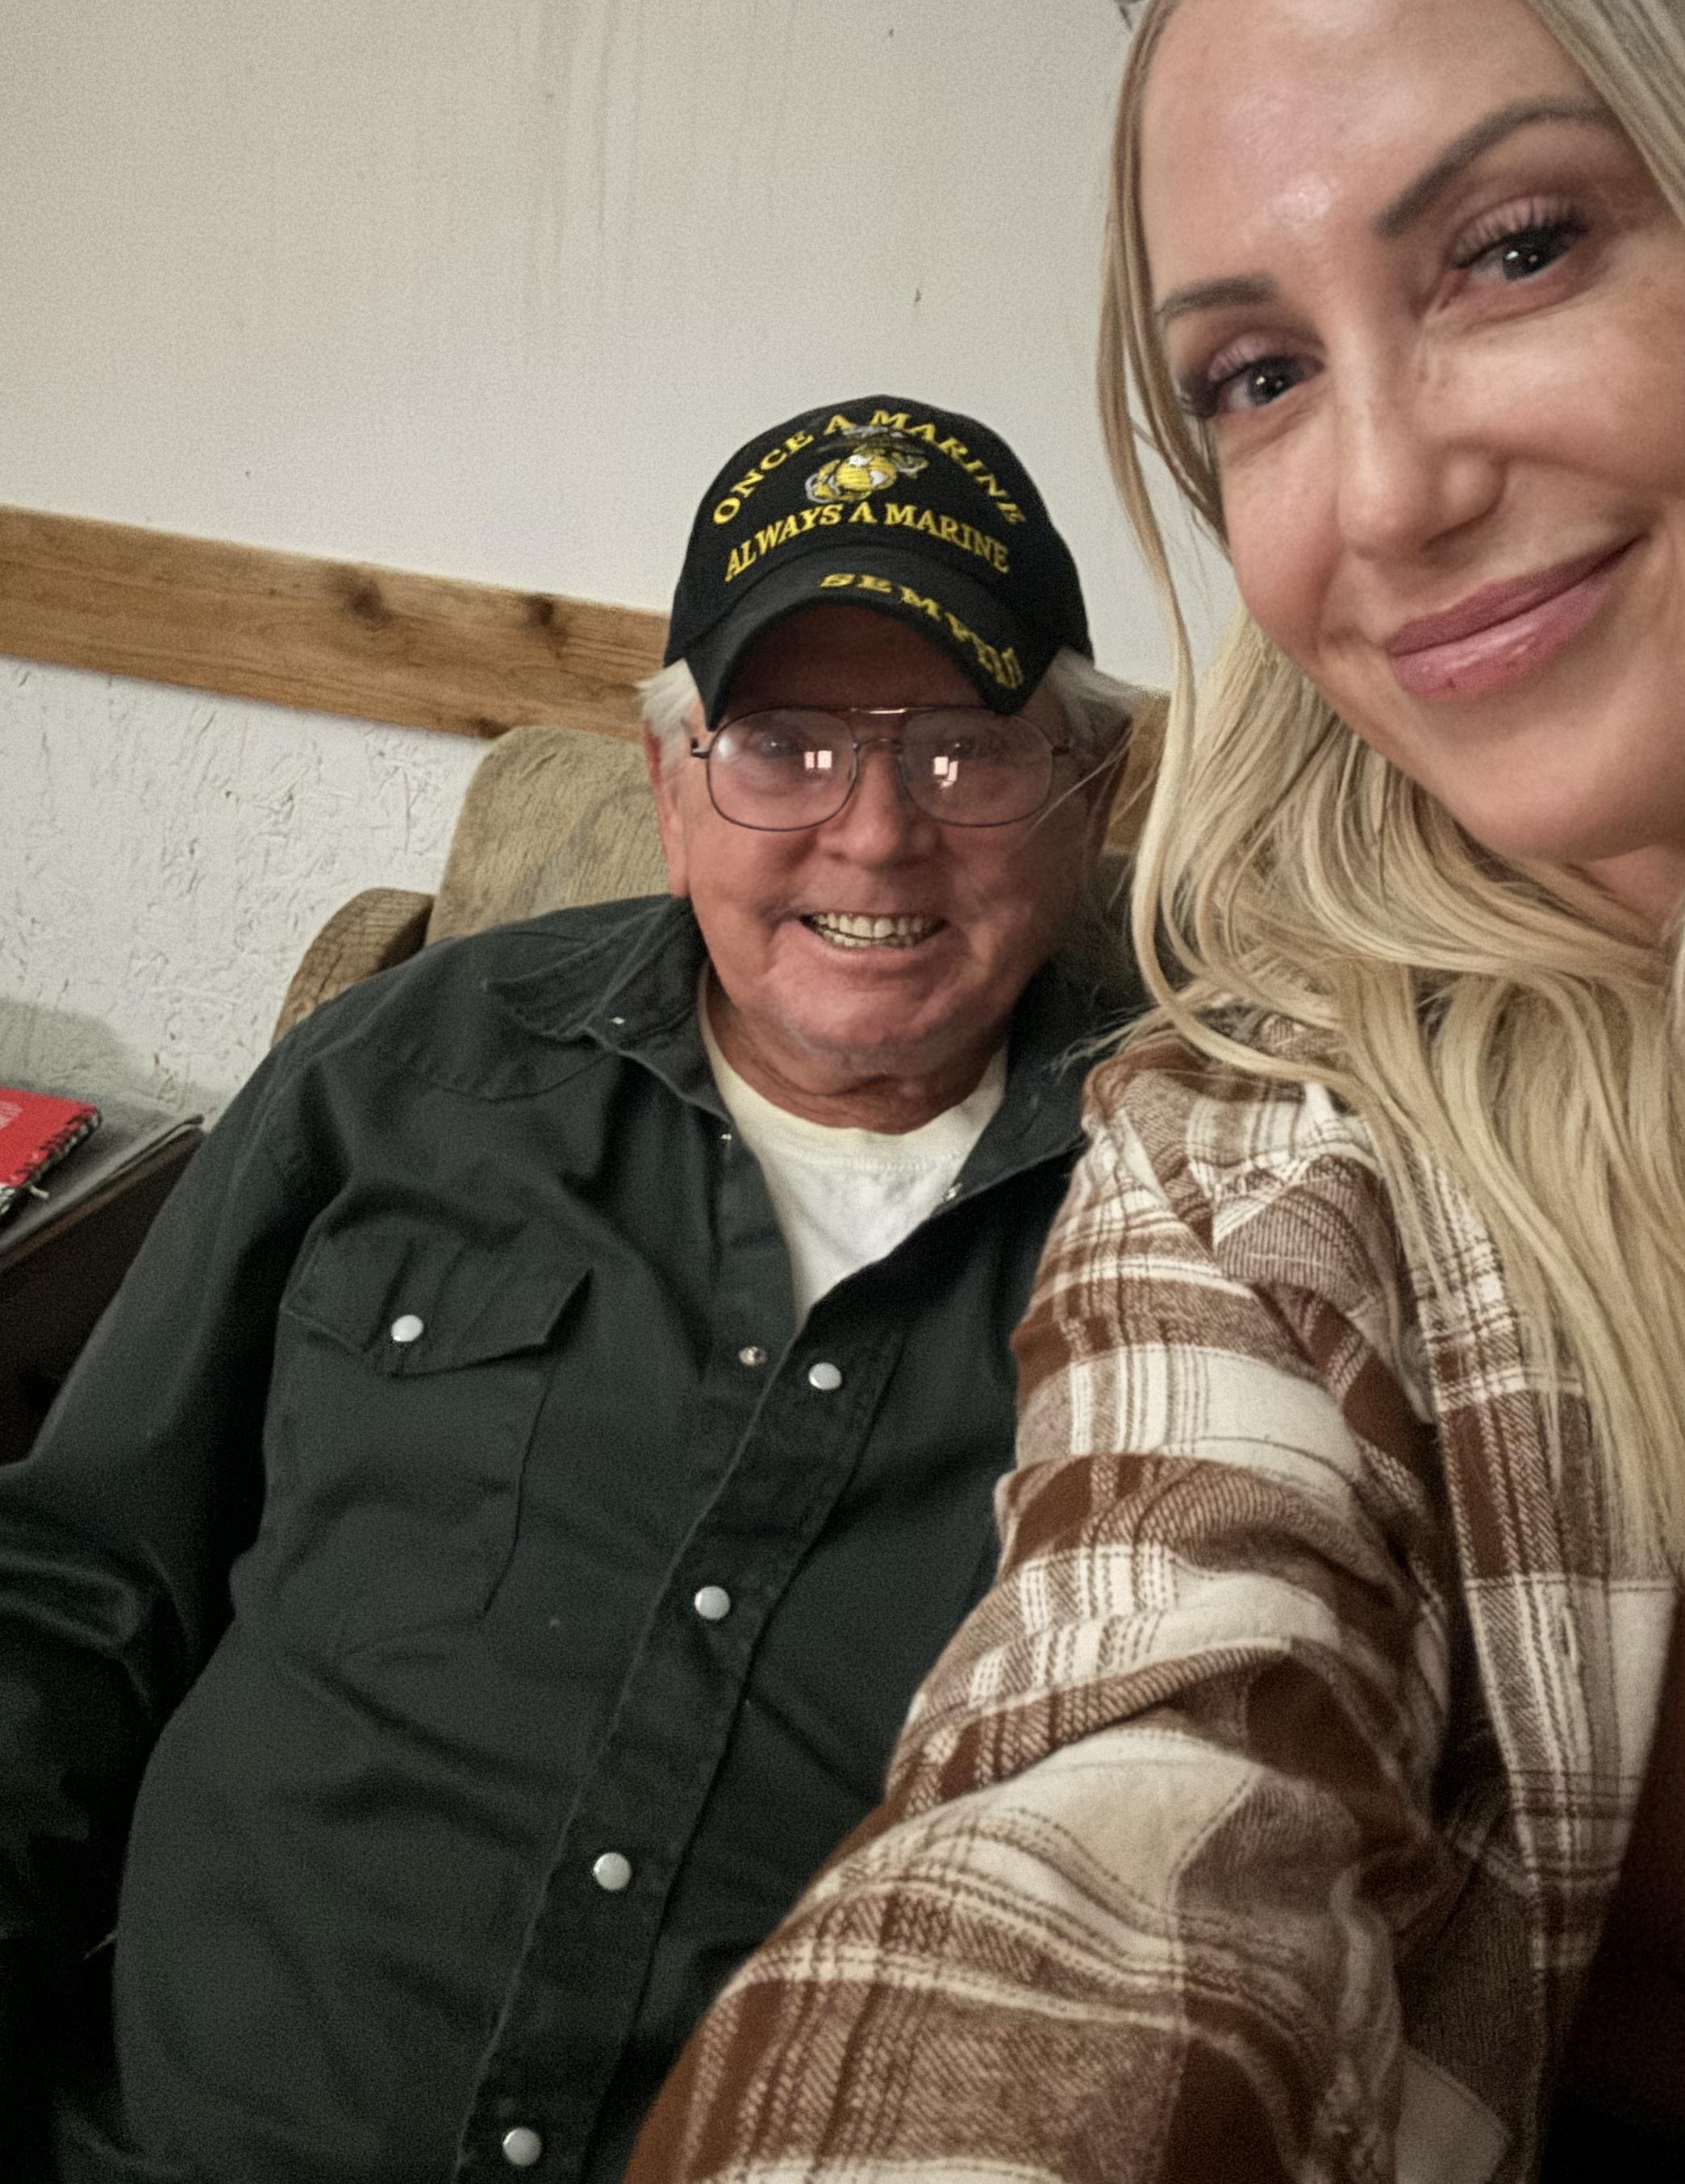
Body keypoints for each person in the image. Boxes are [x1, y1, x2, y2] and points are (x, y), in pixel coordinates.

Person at [628, 0, 1685, 2182]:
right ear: (661, 772)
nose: (1389, 489)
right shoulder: (1259, 1157)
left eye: (1515, 246)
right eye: (1256, 375)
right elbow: (1120, 1793)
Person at [0, 392, 1140, 2182]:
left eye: (958, 748)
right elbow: (76, 1588)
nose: (871, 831)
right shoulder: (402, 1074)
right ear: (670, 780)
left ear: (1089, 784)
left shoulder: (1205, 1209)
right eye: (781, 743)